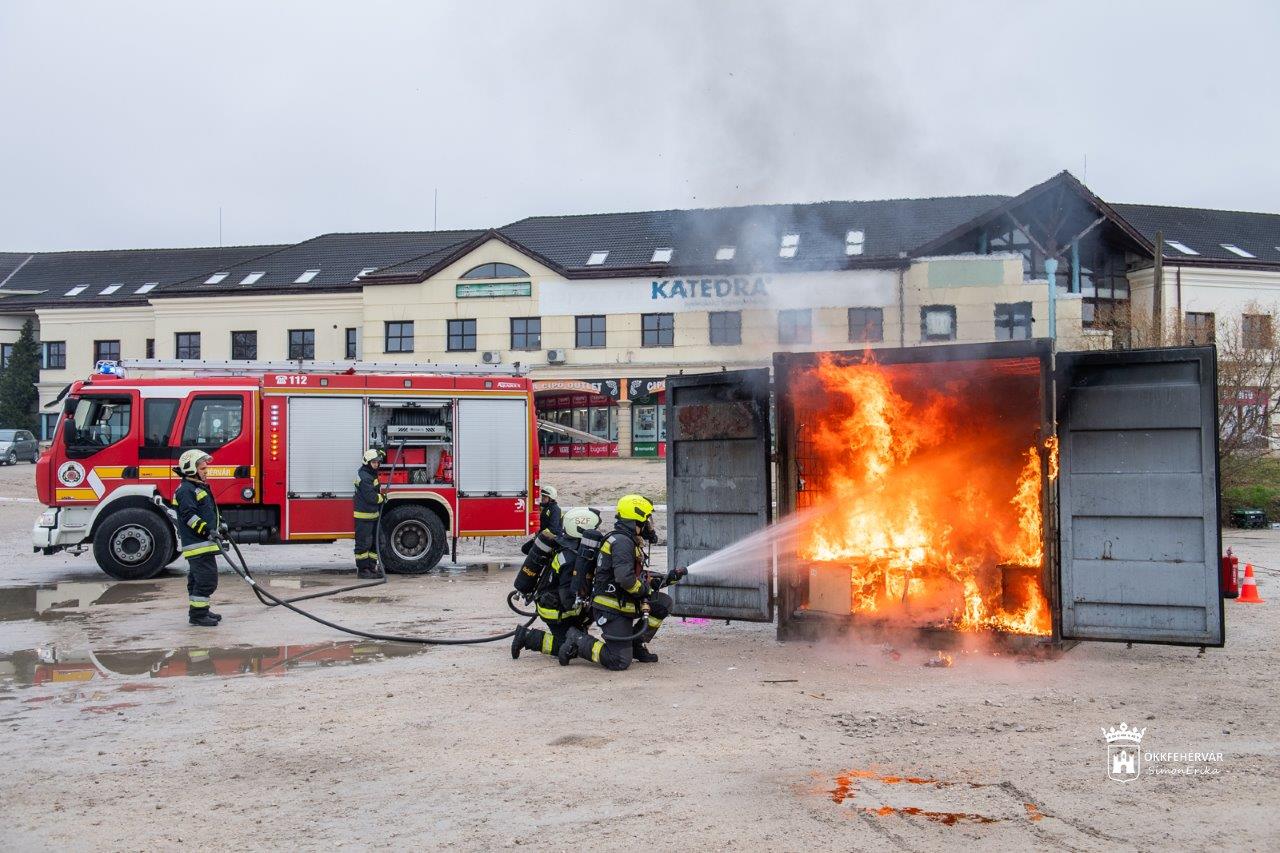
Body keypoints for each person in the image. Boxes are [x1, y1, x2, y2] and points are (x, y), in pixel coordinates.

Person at [559, 494, 683, 670]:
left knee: (663, 603)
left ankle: (636, 645)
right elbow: (625, 579)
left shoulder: (627, 540)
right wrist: (645, 592)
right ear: (636, 518)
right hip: (611, 607)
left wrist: (666, 578)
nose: (649, 524)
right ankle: (577, 640)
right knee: (619, 661)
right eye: (647, 518)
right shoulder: (622, 542)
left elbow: (636, 576)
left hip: (624, 601)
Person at [511, 506, 602, 660]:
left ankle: (575, 631)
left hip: (554, 603)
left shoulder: (566, 545)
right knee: (571, 647)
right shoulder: (571, 559)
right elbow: (567, 599)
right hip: (555, 610)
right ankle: (526, 636)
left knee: (577, 638)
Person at [173, 449, 223, 627]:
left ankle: (200, 610)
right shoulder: (186, 490)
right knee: (207, 580)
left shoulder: (197, 487)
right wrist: (208, 531)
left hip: (203, 544)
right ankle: (198, 615)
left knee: (197, 579)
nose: (206, 471)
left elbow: (208, 511)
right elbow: (189, 517)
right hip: (198, 544)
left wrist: (220, 525)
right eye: (202, 469)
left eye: (205, 468)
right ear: (190, 469)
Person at [353, 448, 386, 579]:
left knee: (376, 542)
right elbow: (370, 497)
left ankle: (371, 568)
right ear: (367, 462)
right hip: (364, 516)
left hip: (373, 515)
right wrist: (382, 498)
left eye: (378, 462)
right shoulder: (365, 477)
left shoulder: (370, 473)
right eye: (374, 462)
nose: (376, 465)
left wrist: (382, 452)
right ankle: (363, 570)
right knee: (363, 544)